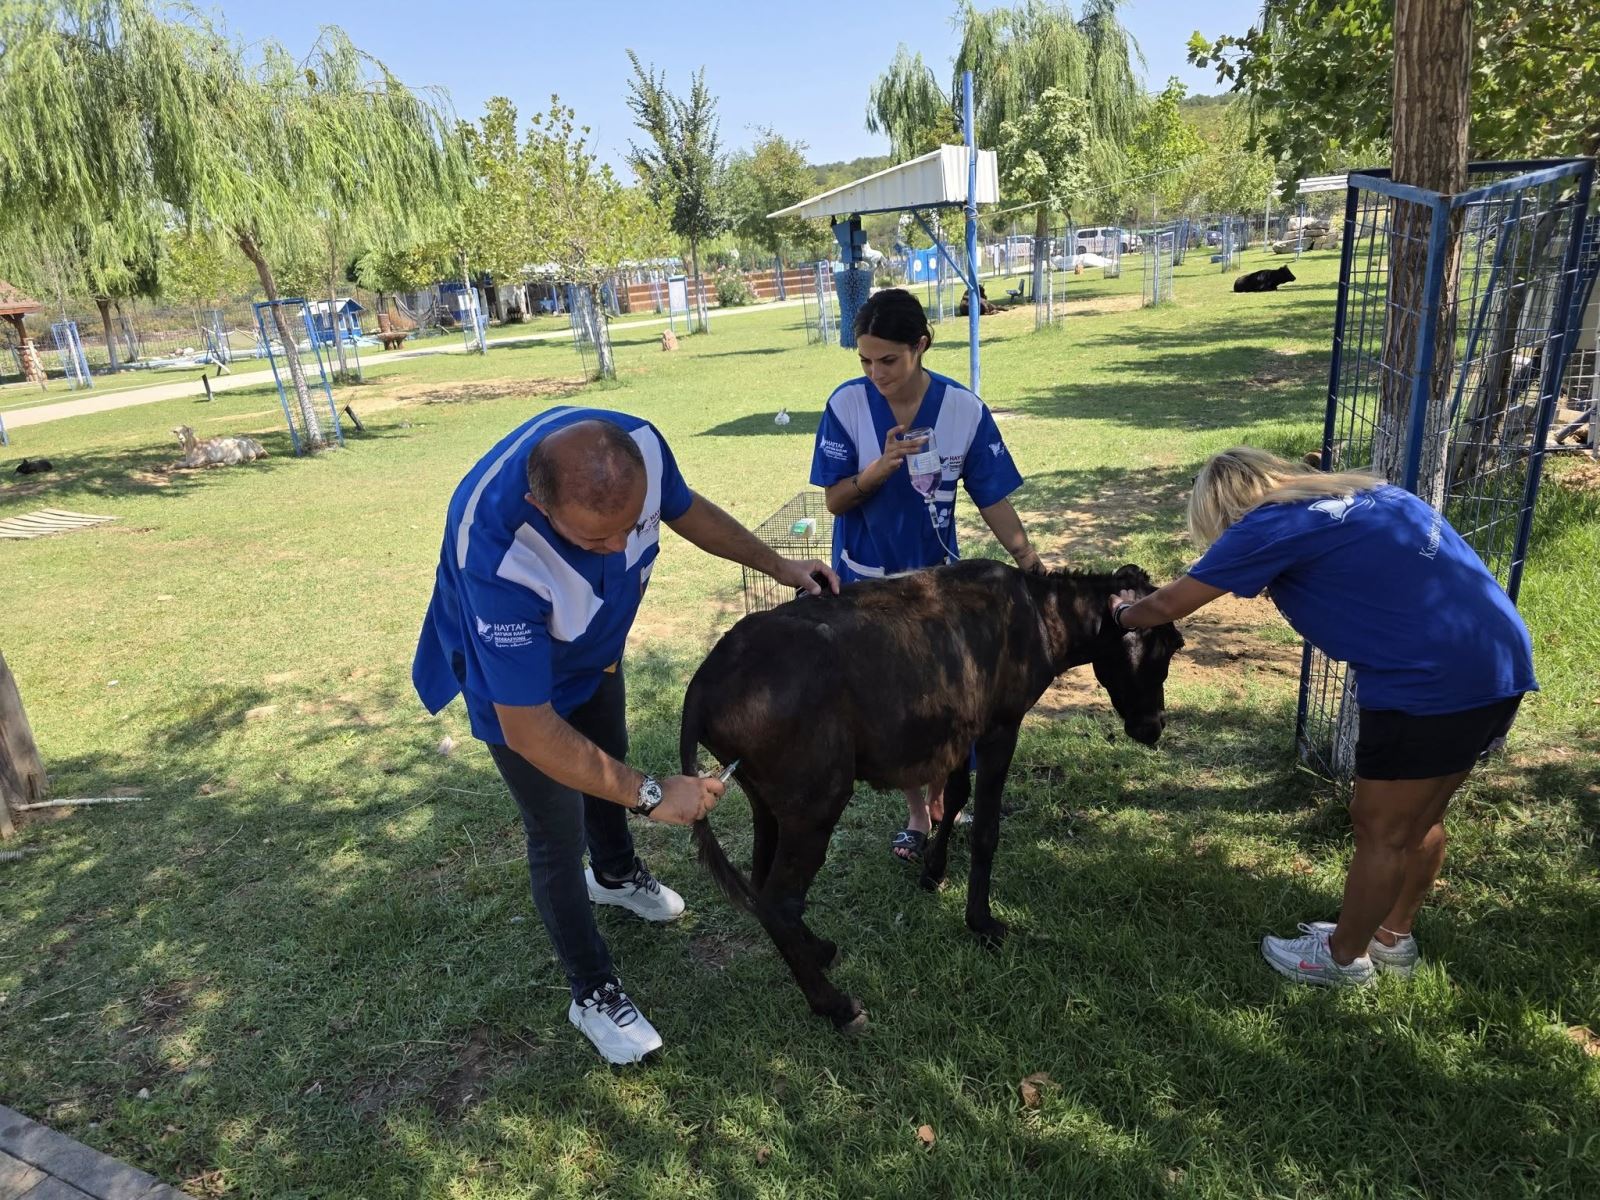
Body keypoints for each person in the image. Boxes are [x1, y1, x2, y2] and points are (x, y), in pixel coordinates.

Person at [413, 408, 839, 1063]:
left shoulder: (639, 445)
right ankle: (592, 990)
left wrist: (778, 564)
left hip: (596, 653)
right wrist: (651, 794)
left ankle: (614, 875)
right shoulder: (495, 551)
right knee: (556, 830)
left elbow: (686, 509)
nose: (618, 549)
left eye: (631, 526)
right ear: (540, 507)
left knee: (605, 749)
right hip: (517, 689)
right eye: (594, 539)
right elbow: (531, 729)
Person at [1109, 447, 1536, 987]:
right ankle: (1392, 939)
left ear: (1220, 508)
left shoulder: (1266, 525)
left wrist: (1122, 612)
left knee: (1379, 827)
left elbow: (1168, 605)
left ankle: (1341, 959)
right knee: (1420, 818)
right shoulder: (1372, 494)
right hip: (1497, 662)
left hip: (1427, 683)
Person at [809, 288, 1043, 863]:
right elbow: (835, 500)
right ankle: (916, 812)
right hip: (866, 586)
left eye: (888, 359)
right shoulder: (847, 406)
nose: (876, 373)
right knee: (890, 702)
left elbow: (992, 497)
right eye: (865, 360)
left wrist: (1029, 561)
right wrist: (877, 472)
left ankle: (944, 799)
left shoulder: (963, 410)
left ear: (921, 345)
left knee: (942, 698)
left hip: (938, 588)